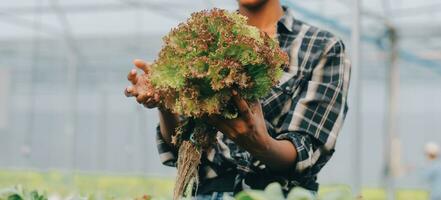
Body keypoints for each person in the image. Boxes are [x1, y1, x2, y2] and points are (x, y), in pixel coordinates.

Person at [125, 0, 351, 198]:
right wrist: (166, 103)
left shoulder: (322, 46)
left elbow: (306, 151)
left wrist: (263, 145)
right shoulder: (205, 38)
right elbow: (182, 147)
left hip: (278, 195)